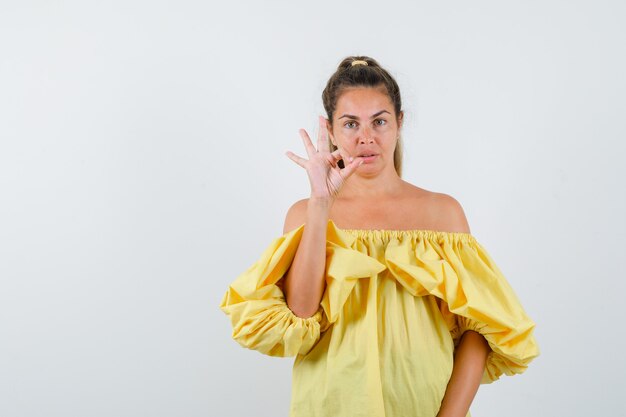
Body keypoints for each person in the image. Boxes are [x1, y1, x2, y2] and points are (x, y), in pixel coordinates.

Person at [219, 56, 540, 417]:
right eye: (351, 123)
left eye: (380, 121)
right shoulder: (304, 214)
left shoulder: (442, 213)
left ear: (399, 123)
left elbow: (479, 330)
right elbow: (301, 316)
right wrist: (320, 203)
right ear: (328, 129)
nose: (366, 137)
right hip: (329, 406)